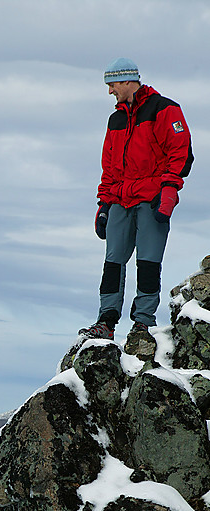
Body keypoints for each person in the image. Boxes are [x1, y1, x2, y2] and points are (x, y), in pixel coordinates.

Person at [79, 57, 193, 351]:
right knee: (113, 262)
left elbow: (180, 153)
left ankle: (143, 323)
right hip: (120, 199)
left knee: (148, 261)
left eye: (113, 84)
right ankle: (106, 320)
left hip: (153, 197)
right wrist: (103, 203)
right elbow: (109, 165)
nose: (110, 91)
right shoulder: (115, 120)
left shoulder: (165, 109)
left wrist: (169, 189)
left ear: (129, 81)